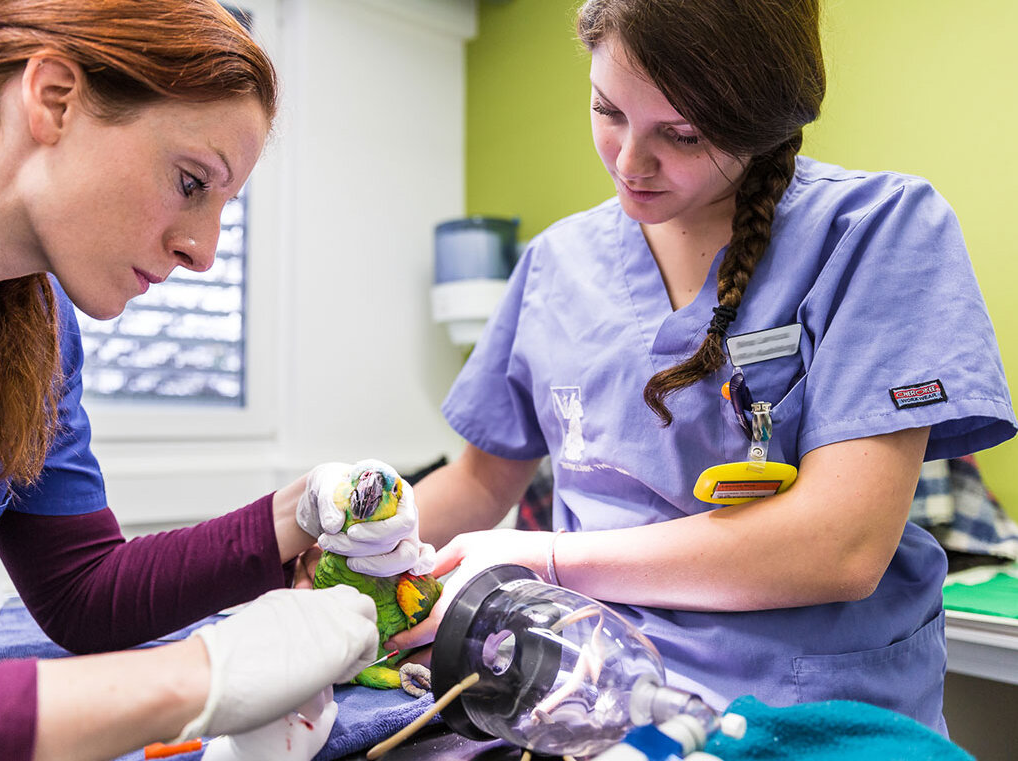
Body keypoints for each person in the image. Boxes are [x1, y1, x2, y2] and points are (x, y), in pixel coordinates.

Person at [387, 0, 1017, 733]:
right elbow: (476, 481)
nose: (629, 162)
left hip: (803, 716)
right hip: (582, 701)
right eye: (607, 110)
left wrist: (552, 557)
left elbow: (840, 545)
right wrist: (358, 550)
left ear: (762, 118)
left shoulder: (877, 230)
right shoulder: (556, 264)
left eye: (680, 133)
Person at [0, 2, 429, 760]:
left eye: (223, 207)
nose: (205, 252)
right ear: (54, 98)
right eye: (192, 182)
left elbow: (83, 591)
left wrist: (306, 507)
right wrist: (197, 679)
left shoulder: (35, 328)